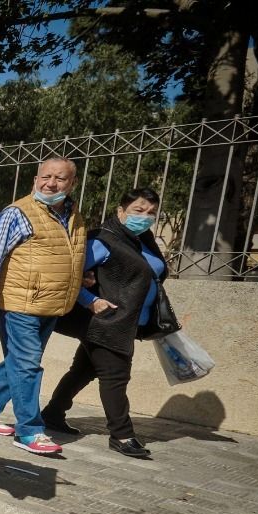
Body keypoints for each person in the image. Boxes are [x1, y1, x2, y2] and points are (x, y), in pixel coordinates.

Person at [0, 157, 88, 456]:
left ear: (72, 184)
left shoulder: (75, 216)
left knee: (18, 363)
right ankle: (30, 431)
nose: (51, 183)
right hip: (19, 304)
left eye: (60, 179)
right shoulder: (17, 213)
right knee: (27, 366)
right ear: (35, 179)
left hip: (51, 304)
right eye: (45, 177)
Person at [42, 188, 169, 459]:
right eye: (138, 210)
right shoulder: (103, 239)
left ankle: (53, 414)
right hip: (106, 321)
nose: (145, 217)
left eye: (151, 213)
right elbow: (71, 273)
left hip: (128, 321)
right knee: (116, 376)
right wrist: (90, 299)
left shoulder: (142, 240)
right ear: (121, 211)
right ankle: (122, 435)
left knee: (83, 370)